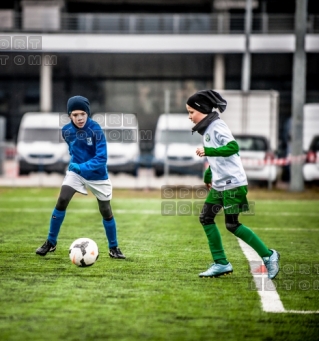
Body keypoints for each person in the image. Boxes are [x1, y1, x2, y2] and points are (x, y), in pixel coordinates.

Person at [186, 89, 279, 279]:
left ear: (201, 109)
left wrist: (208, 151)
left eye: (191, 112)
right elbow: (218, 158)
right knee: (206, 218)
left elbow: (232, 148)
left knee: (232, 224)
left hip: (233, 184)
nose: (189, 117)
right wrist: (208, 174)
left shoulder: (217, 127)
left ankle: (269, 256)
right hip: (220, 184)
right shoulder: (208, 129)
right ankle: (221, 263)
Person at [36, 95, 125, 259]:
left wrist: (81, 166)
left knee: (105, 210)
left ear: (87, 113)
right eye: (75, 114)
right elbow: (72, 148)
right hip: (76, 172)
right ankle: (50, 242)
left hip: (98, 175)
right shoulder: (66, 131)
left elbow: (102, 158)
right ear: (69, 115)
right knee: (62, 199)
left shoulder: (96, 130)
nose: (79, 118)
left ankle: (114, 248)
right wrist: (76, 165)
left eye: (82, 114)